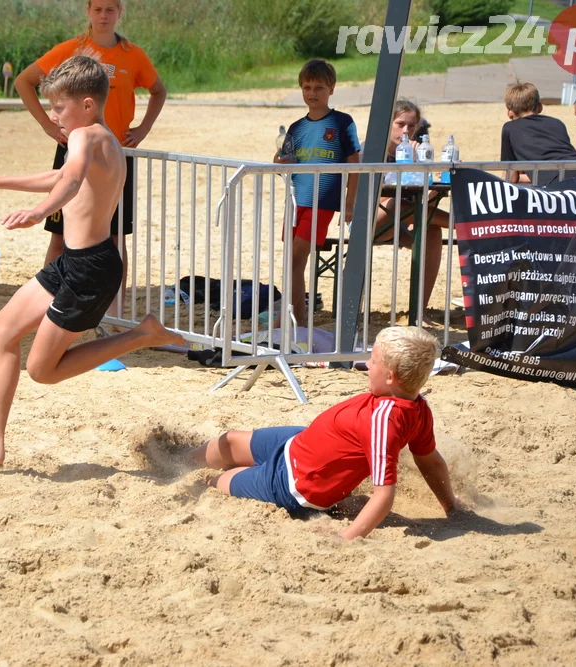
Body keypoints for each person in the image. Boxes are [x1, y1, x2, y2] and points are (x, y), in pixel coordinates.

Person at [0, 56, 183, 465]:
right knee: (2, 330)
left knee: (43, 370)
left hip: (91, 270)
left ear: (87, 105)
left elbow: (70, 182)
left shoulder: (86, 138)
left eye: (59, 107)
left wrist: (39, 212)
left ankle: (141, 335)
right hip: (76, 262)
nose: (53, 116)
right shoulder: (100, 139)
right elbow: (59, 176)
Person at [193, 326, 466, 540]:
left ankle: (196, 485)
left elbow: (384, 495)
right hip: (296, 443)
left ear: (391, 376)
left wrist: (345, 539)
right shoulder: (417, 405)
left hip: (293, 484)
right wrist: (451, 506)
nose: (367, 365)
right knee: (227, 442)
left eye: (373, 360)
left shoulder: (387, 420)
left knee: (219, 481)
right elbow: (430, 461)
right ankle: (176, 460)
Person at [14, 0, 167, 314]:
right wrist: (47, 123)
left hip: (114, 153)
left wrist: (142, 130)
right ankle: (49, 306)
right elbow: (23, 81)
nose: (103, 16)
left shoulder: (132, 54)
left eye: (110, 10)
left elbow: (158, 90)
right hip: (73, 148)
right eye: (97, 9)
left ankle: (115, 314)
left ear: (119, 13)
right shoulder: (73, 49)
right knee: (60, 235)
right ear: (88, 12)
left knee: (115, 236)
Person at [273, 58, 361, 329]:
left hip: (322, 201)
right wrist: (279, 161)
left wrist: (349, 204)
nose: (312, 93)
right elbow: (280, 163)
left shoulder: (342, 122)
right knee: (292, 260)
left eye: (319, 88)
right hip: (296, 200)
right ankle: (296, 319)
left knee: (296, 258)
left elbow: (354, 165)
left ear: (331, 89)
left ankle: (289, 319)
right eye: (307, 87)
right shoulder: (296, 127)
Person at [373, 99, 449, 318]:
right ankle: (463, 224)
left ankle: (418, 311)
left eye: (412, 125)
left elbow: (423, 205)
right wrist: (410, 163)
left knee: (432, 231)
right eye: (400, 124)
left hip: (401, 222)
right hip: (369, 220)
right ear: (388, 124)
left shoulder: (417, 154)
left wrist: (438, 188)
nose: (406, 130)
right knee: (397, 203)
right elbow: (389, 190)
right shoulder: (372, 151)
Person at [500, 82, 576, 185]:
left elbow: (511, 178)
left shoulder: (509, 128)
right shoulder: (557, 123)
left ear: (509, 112)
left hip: (559, 182)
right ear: (540, 107)